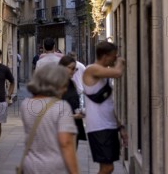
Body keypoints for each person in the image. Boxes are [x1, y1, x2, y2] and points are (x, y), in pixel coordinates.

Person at [19, 63, 78, 174]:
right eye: (63, 84)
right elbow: (66, 143)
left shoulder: (25, 105)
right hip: (54, 167)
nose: (65, 89)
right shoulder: (62, 107)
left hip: (30, 166)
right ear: (55, 83)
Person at [82, 41, 128, 174]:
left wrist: (120, 127)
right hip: (98, 127)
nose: (115, 58)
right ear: (105, 56)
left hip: (109, 126)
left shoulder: (104, 75)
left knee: (109, 167)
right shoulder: (91, 69)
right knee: (107, 168)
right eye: (114, 56)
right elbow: (118, 73)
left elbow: (108, 105)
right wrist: (121, 60)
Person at [58, 56, 87, 148]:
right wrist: (74, 116)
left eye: (74, 69)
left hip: (74, 127)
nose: (72, 71)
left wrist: (81, 112)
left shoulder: (72, 84)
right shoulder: (56, 85)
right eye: (69, 68)